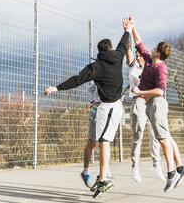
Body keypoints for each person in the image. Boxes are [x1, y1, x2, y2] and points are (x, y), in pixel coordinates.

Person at [44, 17, 131, 198]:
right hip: (114, 107)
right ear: (111, 48)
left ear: (99, 51)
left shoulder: (96, 66)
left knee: (103, 141)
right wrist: (128, 29)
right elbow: (124, 43)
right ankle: (99, 174)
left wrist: (56, 88)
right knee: (98, 141)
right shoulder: (119, 56)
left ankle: (103, 178)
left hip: (108, 108)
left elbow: (77, 79)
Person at [128, 17, 184, 193]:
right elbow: (139, 44)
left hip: (156, 104)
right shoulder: (148, 60)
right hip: (150, 105)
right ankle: (181, 169)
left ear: (159, 54)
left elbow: (160, 90)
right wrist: (132, 28)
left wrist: (141, 93)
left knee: (161, 138)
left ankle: (171, 174)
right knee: (167, 137)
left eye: (155, 48)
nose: (151, 49)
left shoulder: (160, 68)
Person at [126, 42, 165, 183]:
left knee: (155, 133)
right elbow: (129, 53)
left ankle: (156, 165)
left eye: (140, 56)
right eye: (136, 56)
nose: (138, 58)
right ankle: (135, 165)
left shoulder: (150, 66)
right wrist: (127, 40)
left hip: (149, 101)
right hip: (138, 101)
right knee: (139, 132)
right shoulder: (133, 66)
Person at [80, 83, 113, 188]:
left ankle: (106, 173)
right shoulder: (100, 73)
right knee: (92, 142)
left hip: (107, 111)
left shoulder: (114, 75)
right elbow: (90, 89)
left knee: (105, 143)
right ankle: (86, 172)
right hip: (96, 111)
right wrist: (92, 102)